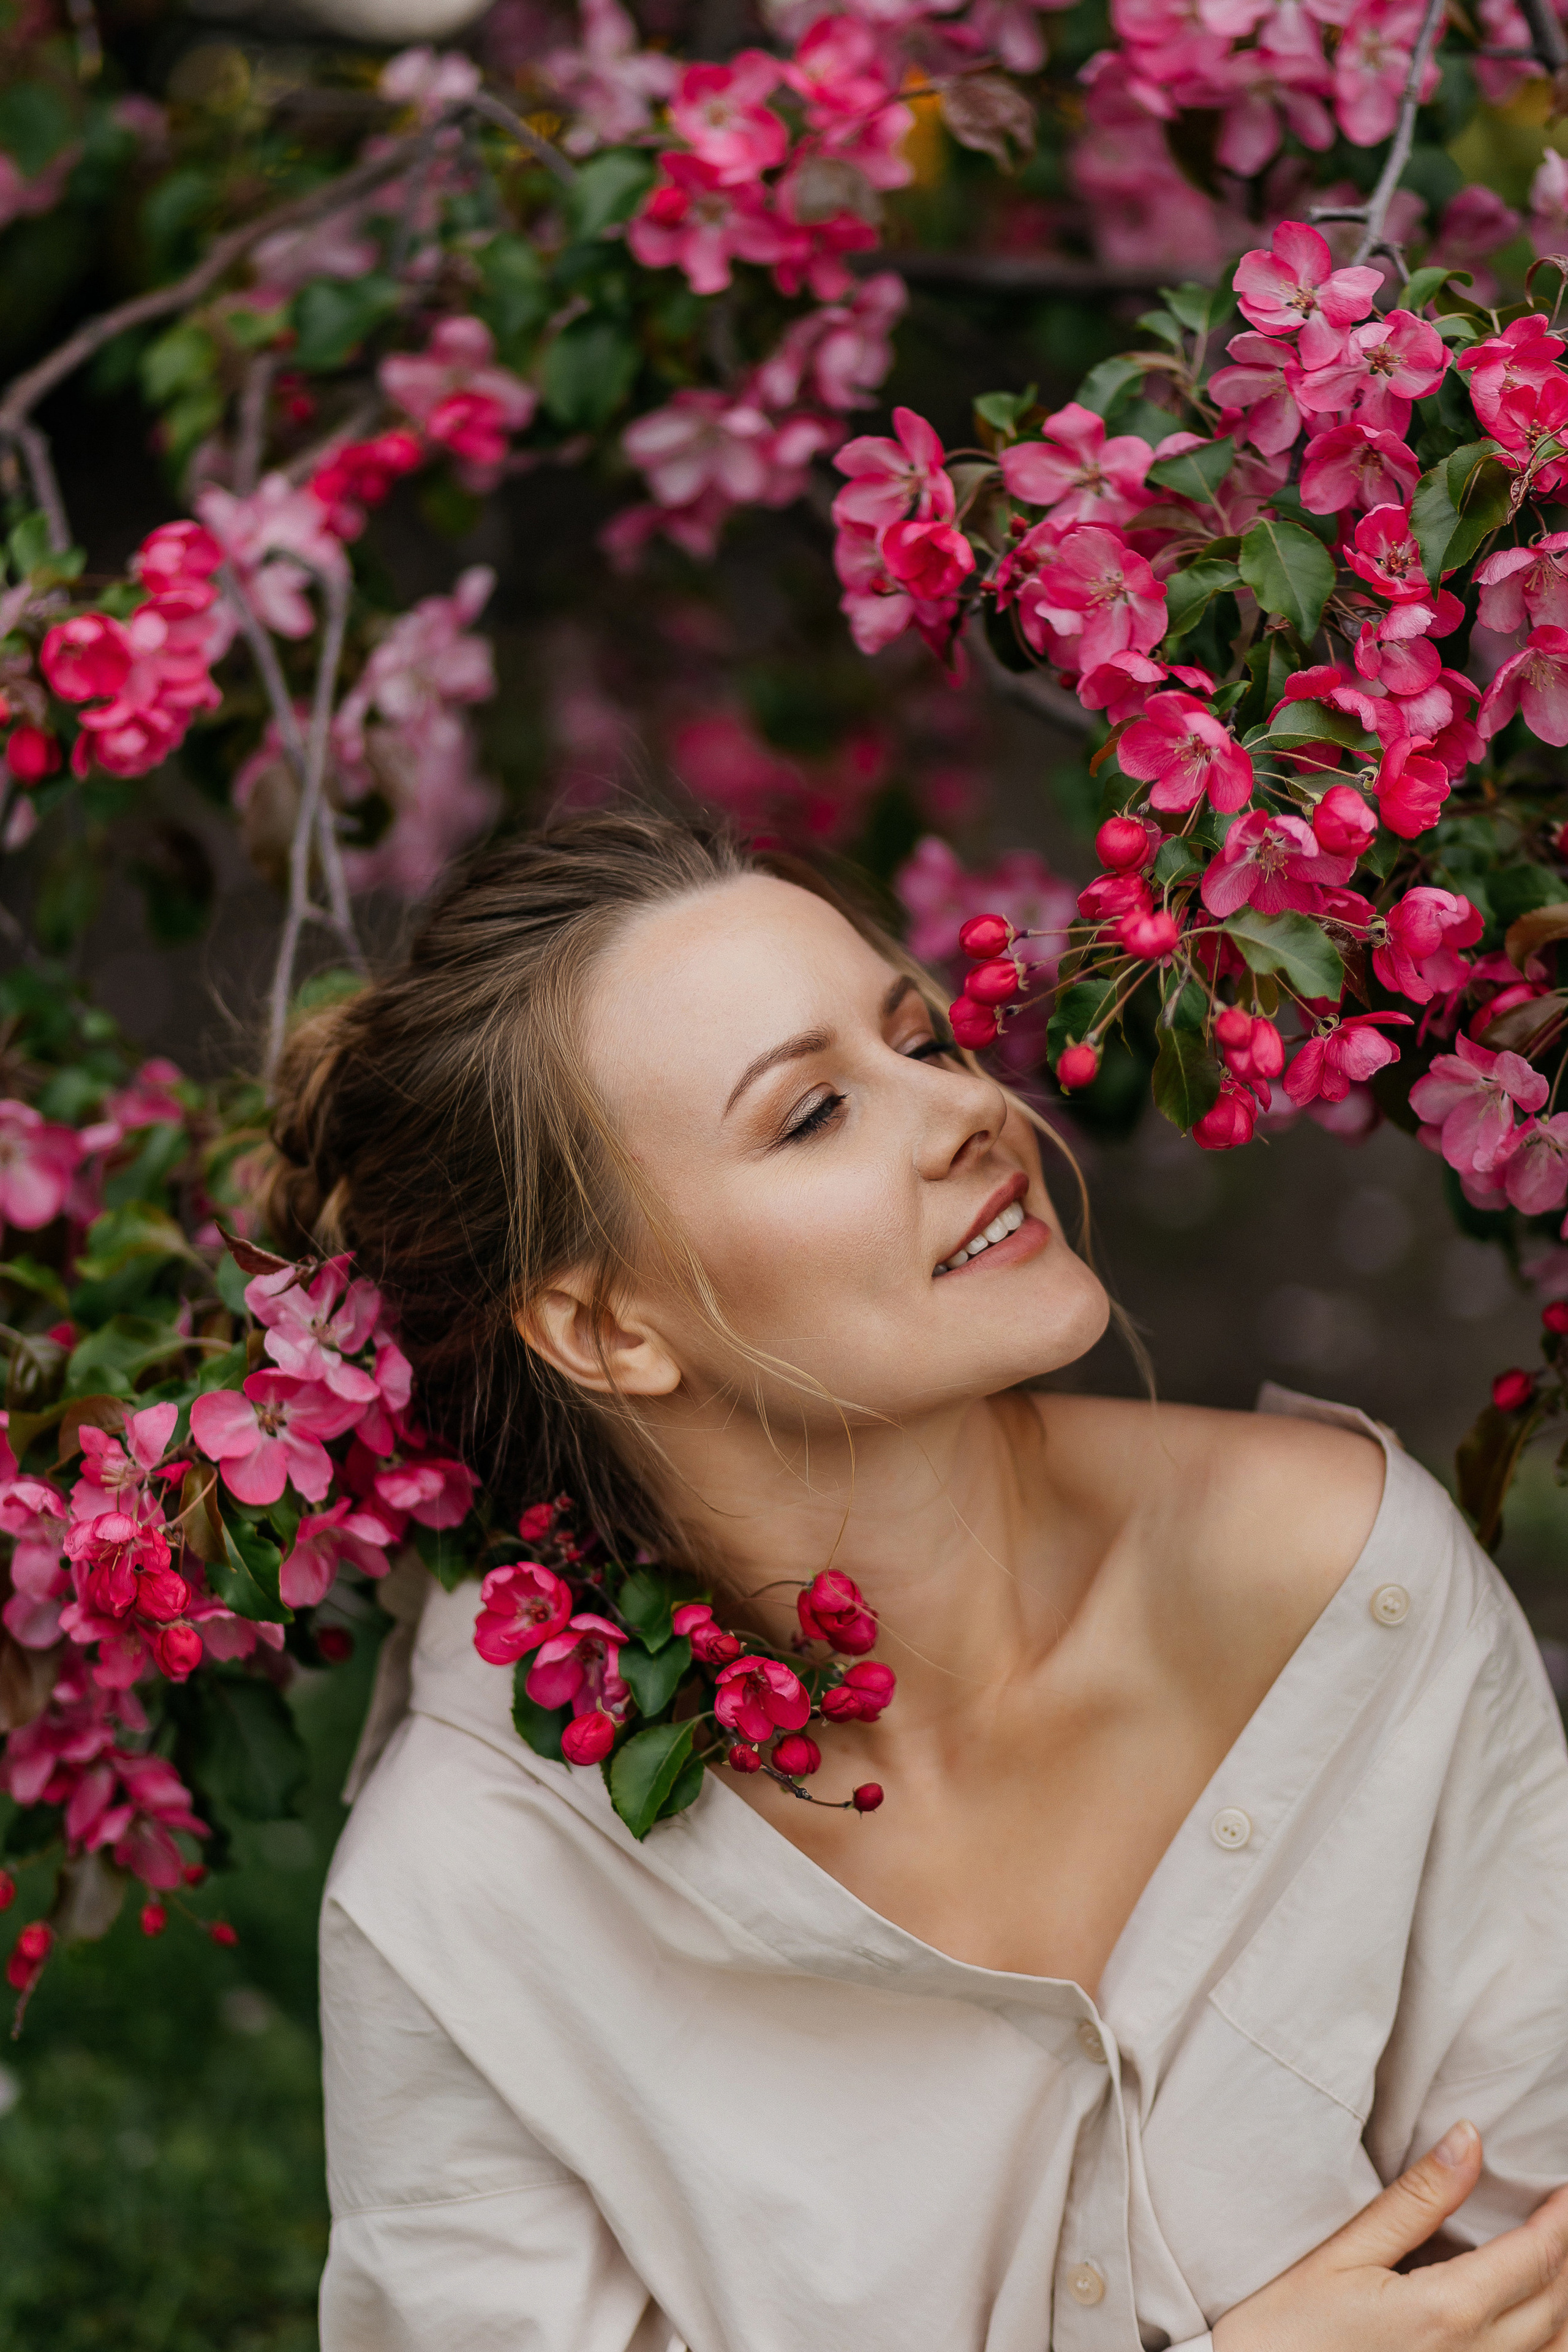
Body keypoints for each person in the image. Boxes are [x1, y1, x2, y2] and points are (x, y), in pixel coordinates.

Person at [268, 810, 1568, 2351]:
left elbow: (1526, 2276)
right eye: (812, 1112)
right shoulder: (477, 1896)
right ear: (609, 1329)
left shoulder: (1345, 1586)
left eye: (921, 1039)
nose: (965, 1111)